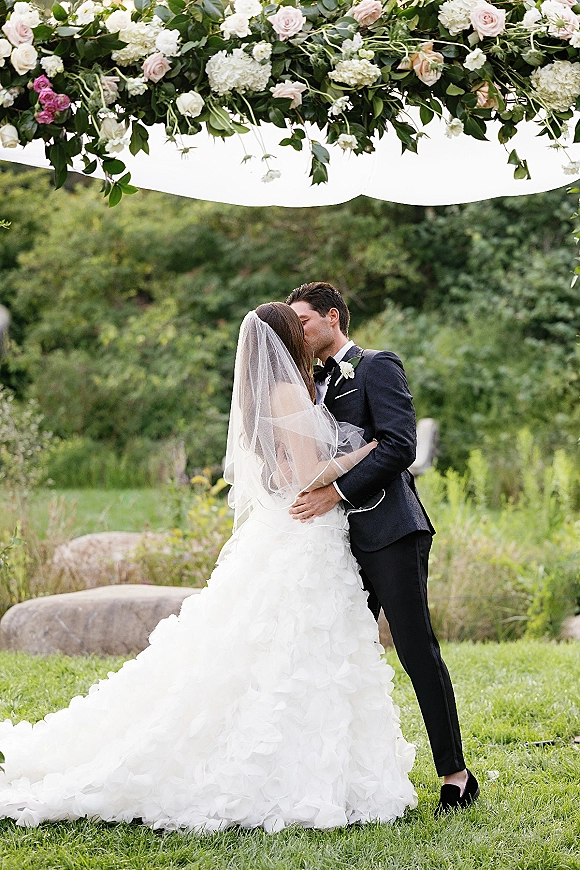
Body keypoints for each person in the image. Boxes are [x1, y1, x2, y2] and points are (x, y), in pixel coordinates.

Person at [0, 303, 417, 832]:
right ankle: (291, 771)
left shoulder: (258, 396)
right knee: (298, 647)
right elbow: (311, 472)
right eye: (298, 328)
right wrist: (368, 450)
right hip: (306, 532)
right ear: (288, 339)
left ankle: (313, 765)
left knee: (286, 648)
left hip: (292, 530)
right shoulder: (289, 392)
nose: (307, 335)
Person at [287, 283, 480, 815]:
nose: (299, 332)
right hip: (333, 546)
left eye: (304, 321)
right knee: (341, 655)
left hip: (390, 530)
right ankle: (343, 776)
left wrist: (336, 493)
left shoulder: (376, 365)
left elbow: (400, 445)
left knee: (416, 650)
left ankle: (456, 776)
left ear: (332, 317)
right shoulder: (305, 384)